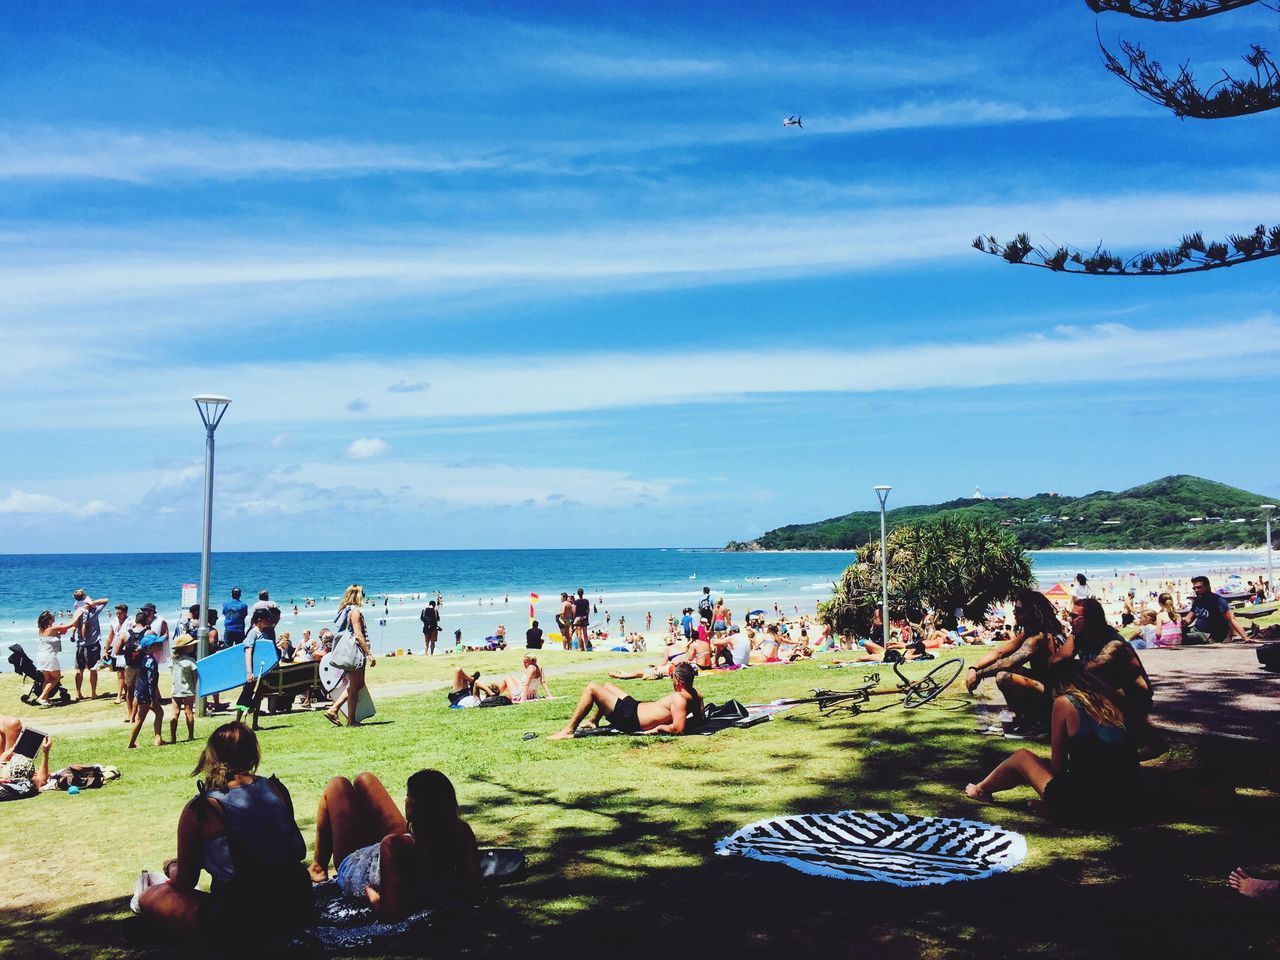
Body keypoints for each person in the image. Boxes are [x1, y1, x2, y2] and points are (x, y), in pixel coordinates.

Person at [136, 722, 311, 938]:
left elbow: (186, 881)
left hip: (241, 914)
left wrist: (172, 866)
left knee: (150, 896)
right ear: (253, 754)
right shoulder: (276, 789)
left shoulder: (202, 808)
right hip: (296, 901)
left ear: (211, 756)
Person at [308, 769, 480, 921]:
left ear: (410, 806)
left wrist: (373, 897)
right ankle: (321, 864)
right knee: (364, 778)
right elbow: (474, 891)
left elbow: (389, 915)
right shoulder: (462, 831)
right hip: (400, 850)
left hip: (359, 867)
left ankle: (318, 867)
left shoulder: (394, 846)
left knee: (337, 785)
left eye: (408, 797)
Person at [964, 678, 1138, 824]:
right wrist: (1114, 757)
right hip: (1128, 802)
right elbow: (1156, 745)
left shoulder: (1065, 702)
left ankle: (980, 790)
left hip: (1086, 806)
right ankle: (1053, 809)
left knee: (1022, 757)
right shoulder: (1118, 700)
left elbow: (1057, 768)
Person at [965, 588, 1074, 736]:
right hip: (1046, 687)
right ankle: (1022, 719)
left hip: (1054, 694)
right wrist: (973, 667)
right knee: (1007, 673)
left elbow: (1009, 662)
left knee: (1003, 676)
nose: (1015, 613)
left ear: (1032, 612)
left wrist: (978, 674)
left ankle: (1037, 723)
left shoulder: (1039, 637)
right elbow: (1000, 652)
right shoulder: (1032, 632)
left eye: (1019, 610)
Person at [548, 661, 703, 739]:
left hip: (630, 719)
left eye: (672, 678)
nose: (671, 681)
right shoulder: (697, 694)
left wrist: (657, 729)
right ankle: (593, 721)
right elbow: (699, 719)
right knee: (608, 685)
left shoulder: (678, 698)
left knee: (592, 688)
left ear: (679, 681)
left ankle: (568, 730)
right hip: (634, 708)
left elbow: (678, 729)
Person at [325, 585, 376, 728]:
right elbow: (358, 635)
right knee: (354, 686)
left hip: (349, 652)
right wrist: (369, 653)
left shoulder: (344, 610)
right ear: (358, 595)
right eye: (363, 594)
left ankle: (335, 710)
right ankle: (349, 719)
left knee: (358, 684)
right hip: (355, 652)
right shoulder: (355, 612)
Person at [1182, 576, 1249, 644]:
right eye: (1194, 588)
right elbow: (1189, 618)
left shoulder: (1218, 601)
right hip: (1195, 629)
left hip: (1207, 635)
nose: (1196, 590)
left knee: (1181, 638)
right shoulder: (1197, 601)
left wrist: (1246, 638)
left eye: (1199, 587)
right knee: (1173, 633)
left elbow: (1232, 619)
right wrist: (1182, 621)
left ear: (1207, 586)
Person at [128, 633, 166, 748]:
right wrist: (152, 697)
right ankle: (131, 743)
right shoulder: (151, 662)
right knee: (140, 719)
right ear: (149, 648)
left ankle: (158, 738)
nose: (160, 645)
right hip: (147, 694)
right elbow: (151, 680)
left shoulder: (144, 659)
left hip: (141, 692)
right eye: (157, 644)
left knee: (159, 712)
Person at [70, 589, 109, 700]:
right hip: (92, 644)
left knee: (79, 669)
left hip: (80, 644)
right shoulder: (93, 612)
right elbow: (106, 600)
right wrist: (91, 602)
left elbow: (74, 626)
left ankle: (78, 693)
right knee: (93, 669)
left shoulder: (77, 612)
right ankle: (93, 693)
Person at [33, 611, 77, 707]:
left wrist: (59, 629)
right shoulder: (52, 628)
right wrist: (81, 612)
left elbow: (55, 633)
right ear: (49, 620)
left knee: (47, 679)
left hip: (40, 656)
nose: (54, 617)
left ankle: (46, 700)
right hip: (48, 656)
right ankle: (41, 697)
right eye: (52, 617)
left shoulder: (41, 629)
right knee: (56, 677)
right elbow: (71, 624)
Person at [0, 731, 52, 801]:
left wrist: (2, 759)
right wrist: (46, 753)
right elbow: (42, 779)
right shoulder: (27, 787)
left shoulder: (4, 782)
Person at [170, 624, 199, 743]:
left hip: (175, 689)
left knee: (175, 713)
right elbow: (195, 677)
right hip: (188, 689)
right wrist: (195, 688)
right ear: (186, 648)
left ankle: (173, 737)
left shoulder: (174, 661)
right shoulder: (191, 661)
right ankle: (190, 735)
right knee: (189, 712)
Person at [106, 602, 131, 704]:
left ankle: (119, 696)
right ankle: (125, 694)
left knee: (123, 673)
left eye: (120, 613)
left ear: (125, 612)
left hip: (126, 649)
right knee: (120, 673)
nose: (118, 615)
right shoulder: (114, 622)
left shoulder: (130, 622)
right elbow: (110, 636)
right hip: (116, 650)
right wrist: (106, 649)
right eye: (117, 613)